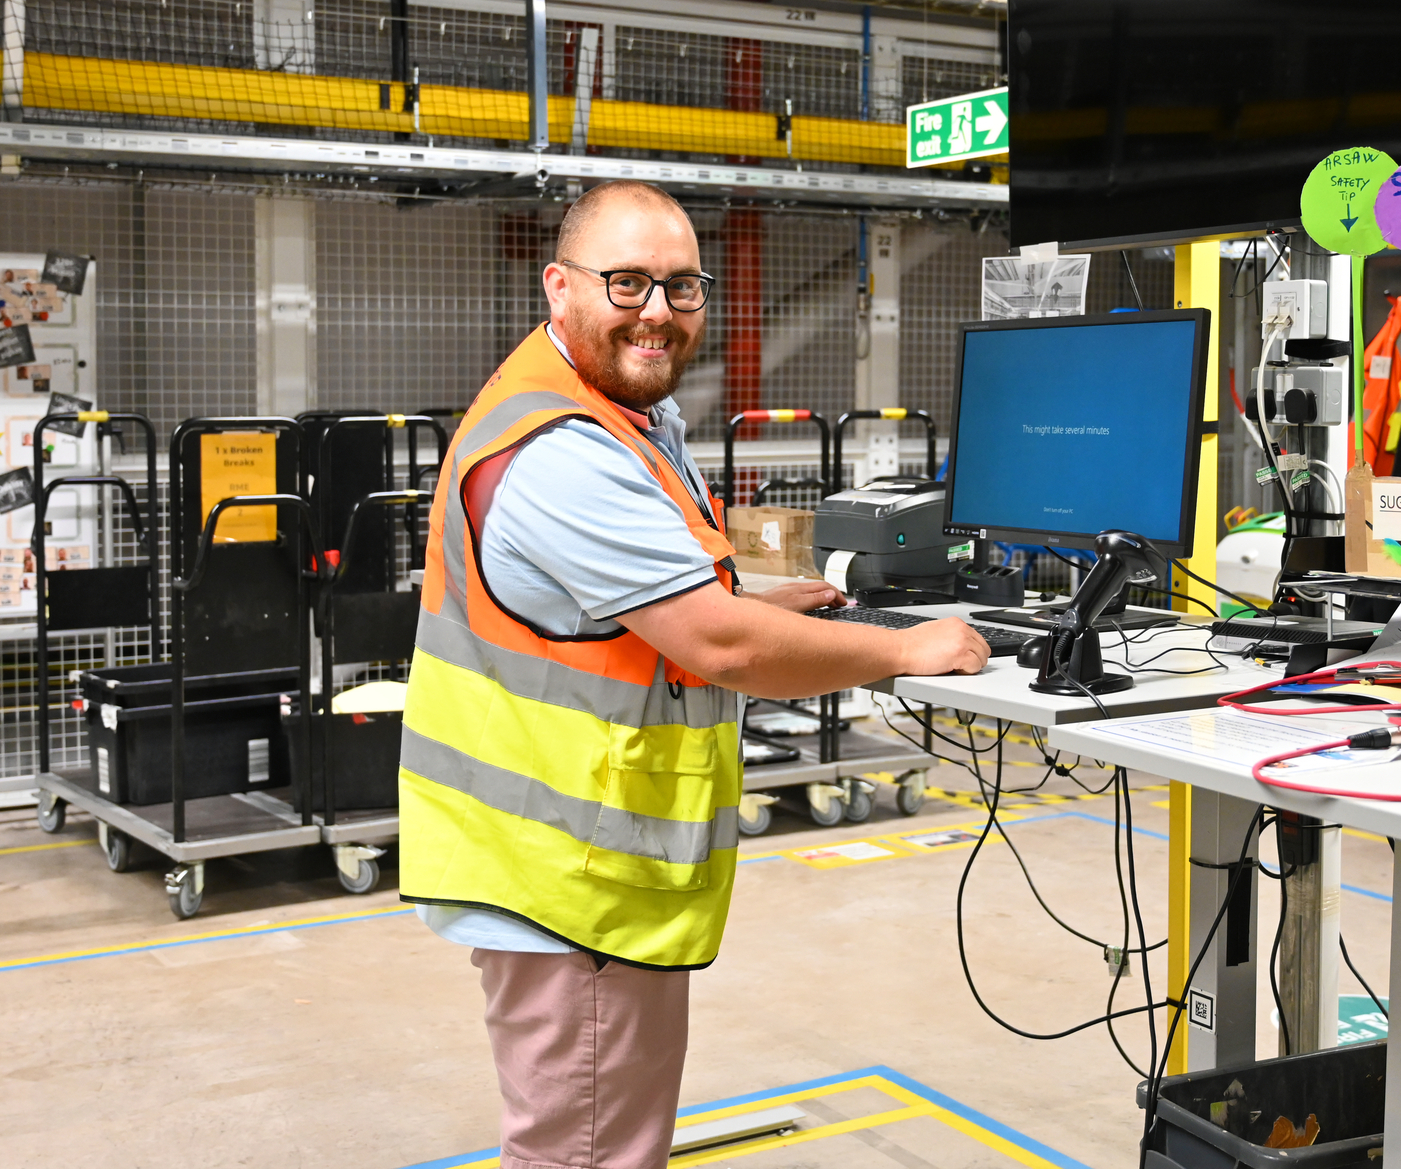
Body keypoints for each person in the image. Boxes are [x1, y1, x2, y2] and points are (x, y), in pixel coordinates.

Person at [401, 179, 987, 1169]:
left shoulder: (623, 411)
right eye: (625, 282)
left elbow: (648, 620)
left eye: (681, 287)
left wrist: (758, 610)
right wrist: (903, 648)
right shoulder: (556, 448)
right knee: (585, 1152)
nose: (657, 312)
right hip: (568, 882)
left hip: (581, 865)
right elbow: (718, 648)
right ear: (558, 286)